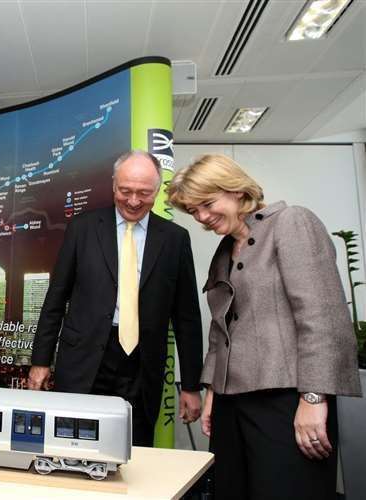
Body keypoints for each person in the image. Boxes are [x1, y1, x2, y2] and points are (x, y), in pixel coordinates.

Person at [166, 153, 361, 499]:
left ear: (236, 190)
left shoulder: (291, 223)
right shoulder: (225, 249)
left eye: (207, 204)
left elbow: (322, 316)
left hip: (286, 400)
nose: (202, 217)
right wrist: (212, 390)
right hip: (231, 403)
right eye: (194, 211)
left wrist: (314, 398)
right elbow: (220, 330)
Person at [28, 150, 203, 446]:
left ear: (158, 190)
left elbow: (187, 317)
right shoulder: (82, 229)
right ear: (113, 185)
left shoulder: (175, 239)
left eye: (144, 193)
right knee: (73, 444)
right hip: (84, 360)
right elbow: (55, 299)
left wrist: (190, 385)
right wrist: (40, 361)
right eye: (125, 191)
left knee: (134, 450)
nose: (134, 201)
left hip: (142, 365)